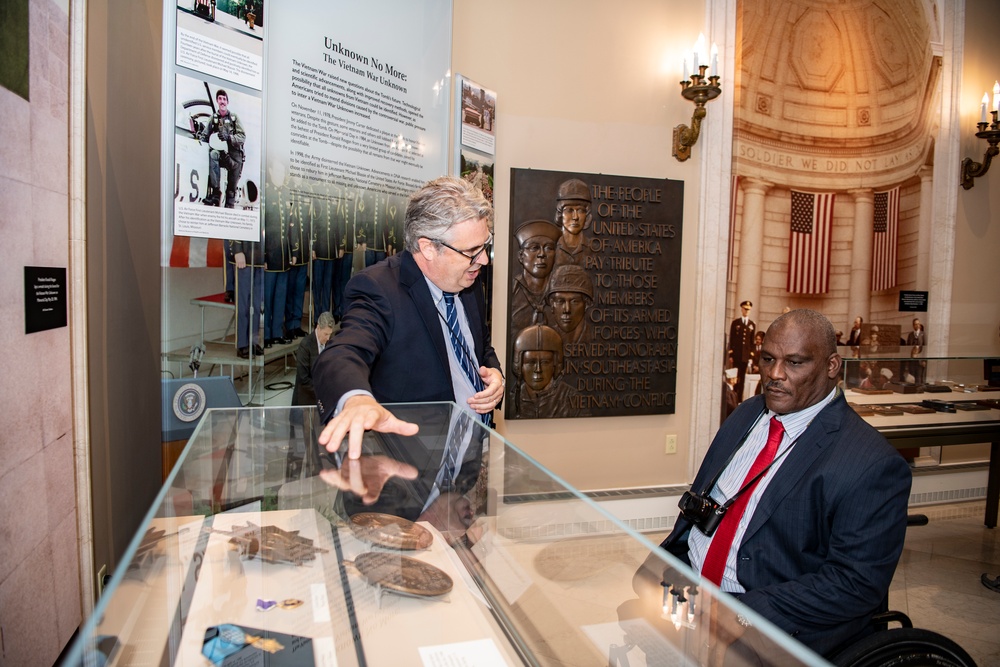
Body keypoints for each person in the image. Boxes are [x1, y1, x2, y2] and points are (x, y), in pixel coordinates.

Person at [636, 309, 911, 660]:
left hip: (773, 620)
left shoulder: (872, 463)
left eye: (795, 363)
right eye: (768, 359)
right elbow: (703, 504)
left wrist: (740, 613)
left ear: (831, 367)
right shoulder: (747, 414)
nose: (775, 375)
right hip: (695, 592)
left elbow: (854, 584)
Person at [313, 176, 505, 460]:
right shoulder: (378, 288)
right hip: (407, 474)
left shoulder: (467, 280)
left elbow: (478, 345)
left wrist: (494, 374)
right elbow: (343, 351)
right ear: (428, 247)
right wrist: (355, 399)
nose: (484, 260)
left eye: (485, 246)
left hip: (470, 458)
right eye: (471, 252)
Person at [507, 323, 587, 419]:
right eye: (531, 362)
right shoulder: (510, 401)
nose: (538, 370)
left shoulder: (573, 400)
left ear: (556, 365)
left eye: (545, 362)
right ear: (519, 366)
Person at [191, 89, 245, 208]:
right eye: (220, 99)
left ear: (227, 102)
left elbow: (242, 137)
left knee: (231, 192)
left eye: (224, 99)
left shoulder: (234, 118)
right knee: (213, 153)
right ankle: (216, 193)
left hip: (235, 159)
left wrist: (229, 138)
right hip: (223, 157)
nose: (222, 101)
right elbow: (204, 136)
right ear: (217, 101)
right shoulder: (213, 119)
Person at [510, 219, 561, 331]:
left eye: (549, 248)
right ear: (521, 256)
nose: (542, 254)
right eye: (534, 248)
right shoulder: (511, 290)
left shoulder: (561, 291)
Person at [292, 312, 336, 407]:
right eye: (325, 334)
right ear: (318, 327)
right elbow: (303, 378)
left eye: (330, 334)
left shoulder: (330, 342)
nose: (328, 338)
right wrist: (322, 390)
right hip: (306, 399)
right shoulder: (305, 345)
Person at [544, 264, 594, 346]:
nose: (567, 309)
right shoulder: (544, 339)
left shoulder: (597, 337)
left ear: (586, 304)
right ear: (552, 304)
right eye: (560, 301)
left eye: (574, 301)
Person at [552, 178, 594, 269]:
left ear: (587, 215)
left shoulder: (594, 248)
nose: (575, 217)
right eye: (569, 210)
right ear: (560, 213)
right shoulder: (550, 247)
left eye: (580, 210)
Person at [727, 300, 756, 398]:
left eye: (748, 310)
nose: (746, 311)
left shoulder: (752, 324)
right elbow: (732, 339)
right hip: (736, 355)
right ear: (741, 309)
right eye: (745, 309)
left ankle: (739, 397)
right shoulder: (736, 323)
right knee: (735, 375)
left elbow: (752, 342)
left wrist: (751, 356)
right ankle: (733, 395)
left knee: (742, 377)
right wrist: (731, 354)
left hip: (745, 356)